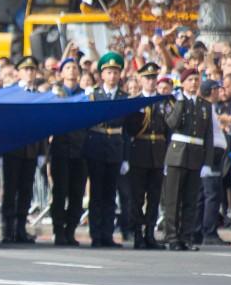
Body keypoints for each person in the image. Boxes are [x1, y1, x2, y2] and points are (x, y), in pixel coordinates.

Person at [162, 69, 215, 250]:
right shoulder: (175, 101)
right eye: (190, 80)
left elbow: (208, 137)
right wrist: (180, 103)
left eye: (196, 80)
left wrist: (207, 163)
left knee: (191, 200)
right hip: (177, 154)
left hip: (195, 155)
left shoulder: (205, 106)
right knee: (173, 200)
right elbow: (172, 123)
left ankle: (186, 237)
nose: (193, 83)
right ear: (183, 83)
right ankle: (172, 237)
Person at [84, 51, 130, 248]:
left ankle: (107, 234)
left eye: (115, 72)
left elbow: (127, 130)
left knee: (111, 195)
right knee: (97, 194)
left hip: (115, 148)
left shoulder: (123, 97)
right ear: (102, 75)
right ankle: (96, 234)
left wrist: (125, 157)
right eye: (109, 72)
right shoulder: (94, 95)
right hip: (97, 145)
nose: (112, 76)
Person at [1, 56, 47, 243]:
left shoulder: (38, 95)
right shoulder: (10, 93)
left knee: (26, 191)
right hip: (13, 149)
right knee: (11, 190)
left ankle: (20, 228)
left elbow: (42, 127)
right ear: (18, 72)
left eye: (32, 70)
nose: (29, 73)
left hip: (31, 150)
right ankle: (8, 229)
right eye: (25, 70)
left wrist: (42, 152)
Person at [128, 62, 169, 250]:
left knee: (154, 197)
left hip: (158, 154)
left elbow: (168, 131)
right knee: (137, 197)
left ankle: (150, 234)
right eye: (147, 78)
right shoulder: (134, 102)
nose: (151, 82)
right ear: (140, 79)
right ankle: (137, 234)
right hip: (139, 153)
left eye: (153, 78)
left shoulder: (164, 102)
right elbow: (128, 130)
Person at [49, 55, 87, 246]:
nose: (72, 71)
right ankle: (58, 230)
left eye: (74, 68)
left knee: (76, 193)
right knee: (60, 192)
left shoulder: (85, 94)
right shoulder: (56, 93)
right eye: (68, 68)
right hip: (61, 149)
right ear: (62, 72)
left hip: (80, 149)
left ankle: (70, 229)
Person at [197, 80, 231, 246]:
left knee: (206, 195)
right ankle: (208, 231)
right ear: (211, 91)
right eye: (217, 90)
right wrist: (207, 161)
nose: (219, 93)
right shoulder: (205, 108)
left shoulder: (209, 108)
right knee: (211, 195)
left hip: (212, 154)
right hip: (210, 155)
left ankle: (201, 230)